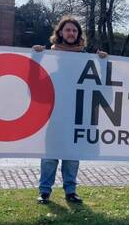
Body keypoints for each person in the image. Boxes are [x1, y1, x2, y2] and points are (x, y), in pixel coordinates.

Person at [33, 16, 106, 204]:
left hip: (76, 114)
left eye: (74, 30)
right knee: (50, 155)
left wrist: (103, 62)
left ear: (78, 34)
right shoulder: (49, 55)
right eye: (68, 30)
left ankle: (70, 191)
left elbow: (100, 83)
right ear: (60, 33)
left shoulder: (85, 57)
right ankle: (44, 191)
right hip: (55, 113)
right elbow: (36, 81)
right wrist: (35, 56)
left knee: (72, 155)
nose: (71, 33)